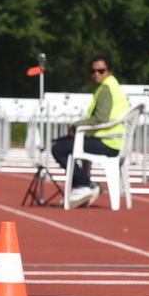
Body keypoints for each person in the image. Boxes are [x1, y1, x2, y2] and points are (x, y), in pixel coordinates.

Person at [50, 54, 131, 208]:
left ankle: (85, 185)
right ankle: (84, 184)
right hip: (113, 142)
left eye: (101, 71)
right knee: (64, 143)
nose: (96, 74)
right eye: (92, 71)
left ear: (110, 71)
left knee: (59, 148)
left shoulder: (106, 88)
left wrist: (76, 126)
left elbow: (101, 118)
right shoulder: (112, 86)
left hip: (108, 143)